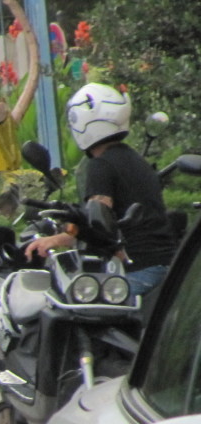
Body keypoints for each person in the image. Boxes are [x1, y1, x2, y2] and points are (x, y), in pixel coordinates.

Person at [24, 83, 178, 298]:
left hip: (137, 269)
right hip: (162, 267)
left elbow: (98, 225)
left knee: (77, 317)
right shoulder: (134, 159)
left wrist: (54, 240)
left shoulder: (101, 165)